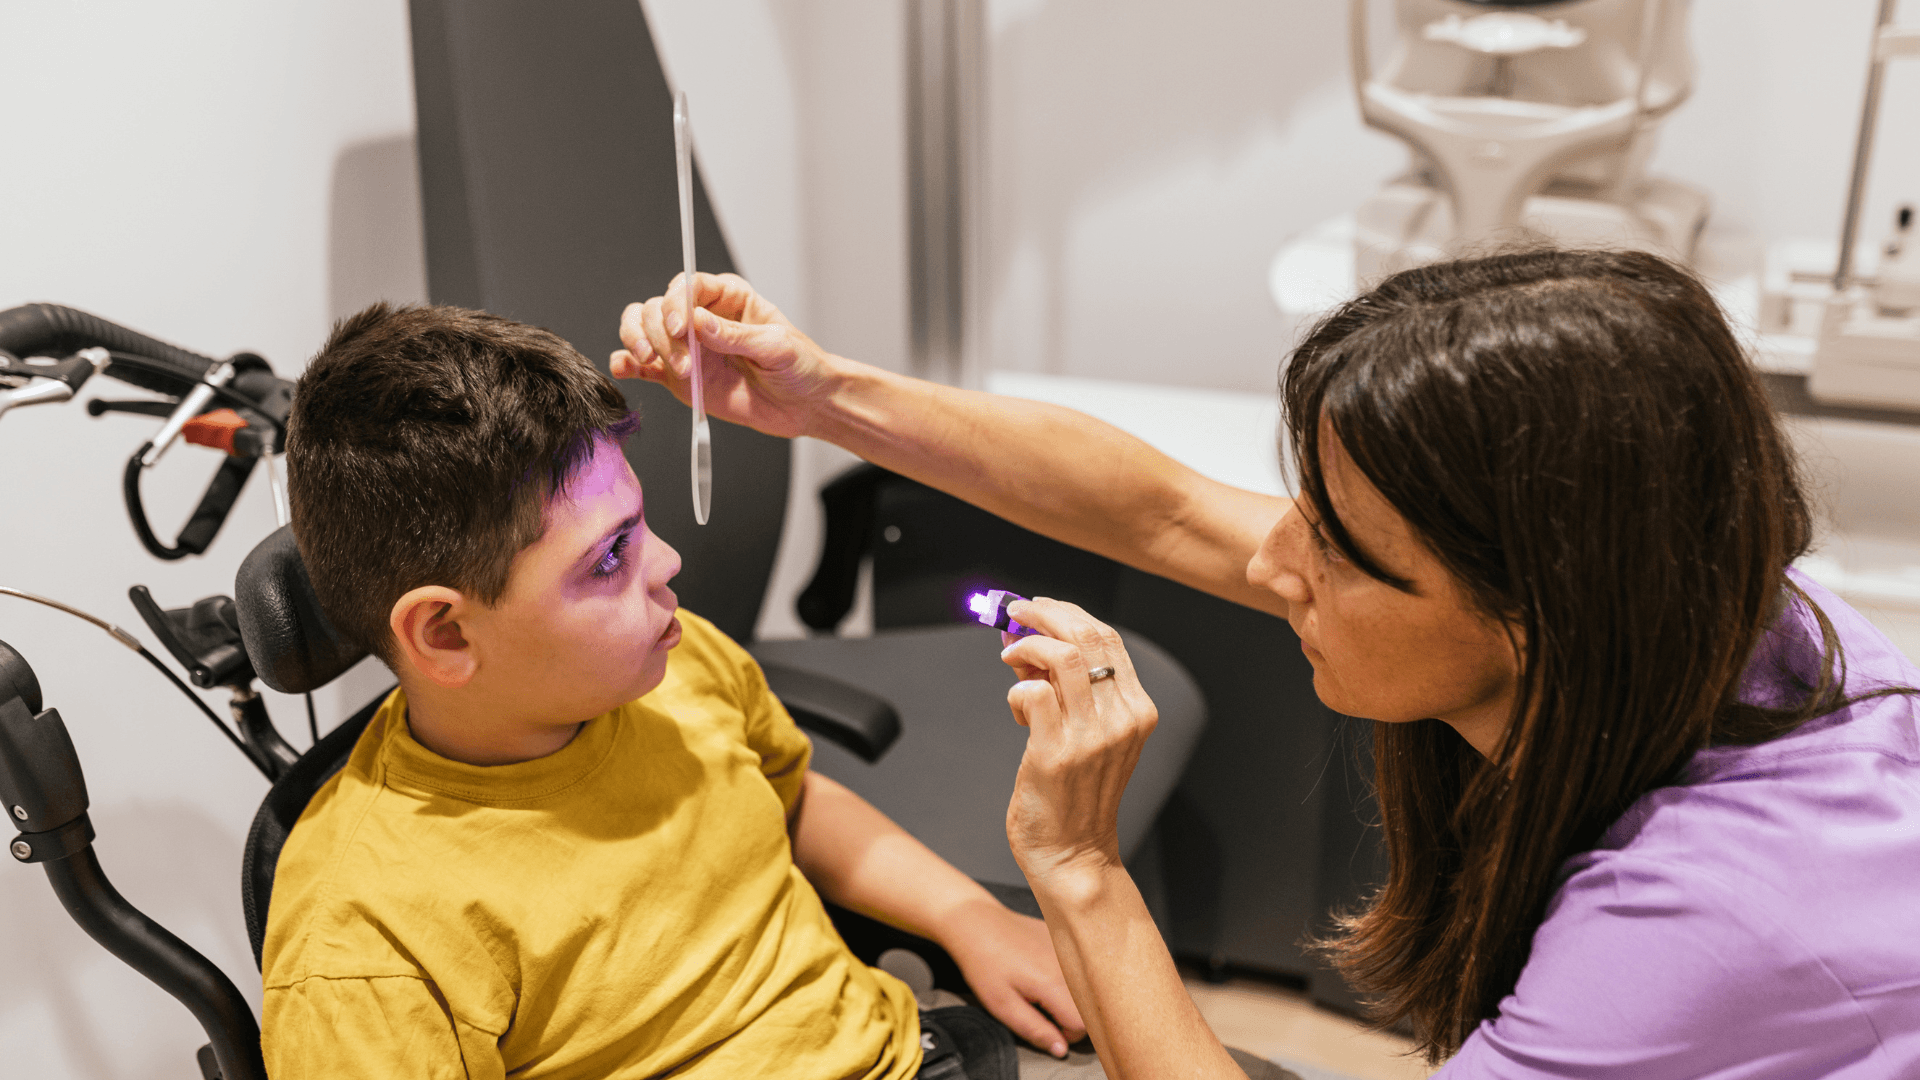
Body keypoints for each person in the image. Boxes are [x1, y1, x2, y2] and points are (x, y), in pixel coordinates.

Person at [615, 248, 1920, 1079]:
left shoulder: (1705, 915)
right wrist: (820, 395)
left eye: (1348, 554)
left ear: (1533, 613)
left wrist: (1077, 867)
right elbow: (1162, 510)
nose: (1277, 565)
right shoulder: (1699, 602)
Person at [260, 302, 1089, 1079]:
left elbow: (792, 799)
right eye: (609, 559)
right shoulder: (365, 943)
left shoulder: (669, 663)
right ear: (445, 633)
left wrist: (964, 915)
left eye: (640, 523)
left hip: (903, 1052)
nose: (665, 565)